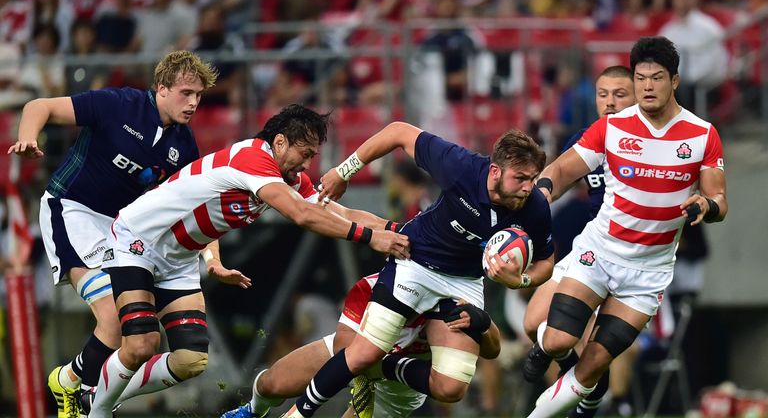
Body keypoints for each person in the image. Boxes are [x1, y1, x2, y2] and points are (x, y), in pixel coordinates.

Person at [86, 104, 409, 417]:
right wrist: (370, 239)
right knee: (142, 345)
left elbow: (343, 213)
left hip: (180, 258)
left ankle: (98, 395)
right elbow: (301, 214)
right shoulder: (253, 159)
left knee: (191, 360)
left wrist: (401, 231)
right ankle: (96, 410)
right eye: (306, 153)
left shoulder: (290, 179)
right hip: (139, 239)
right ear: (279, 142)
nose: (308, 164)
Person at [277, 123, 555, 418]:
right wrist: (343, 171)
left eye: (533, 178)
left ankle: (380, 367)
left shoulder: (534, 206)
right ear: (495, 171)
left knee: (451, 387)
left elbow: (546, 263)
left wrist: (521, 280)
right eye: (521, 178)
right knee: (361, 353)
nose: (528, 186)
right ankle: (296, 414)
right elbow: (398, 131)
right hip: (415, 262)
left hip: (464, 282)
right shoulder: (460, 166)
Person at [7, 50, 220, 418]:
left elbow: (197, 210)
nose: (193, 103)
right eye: (186, 93)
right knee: (113, 320)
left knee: (145, 340)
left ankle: (74, 383)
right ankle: (82, 392)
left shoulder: (184, 146)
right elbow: (39, 106)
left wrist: (212, 258)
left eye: (199, 96)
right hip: (72, 211)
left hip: (122, 232)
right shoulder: (117, 104)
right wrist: (28, 138)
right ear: (161, 88)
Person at [523, 36, 728, 418]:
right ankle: (551, 355)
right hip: (599, 254)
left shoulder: (702, 134)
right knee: (555, 340)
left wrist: (707, 204)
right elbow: (565, 167)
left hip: (648, 275)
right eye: (641, 78)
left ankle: (569, 407)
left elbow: (719, 199)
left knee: (592, 366)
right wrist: (545, 190)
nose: (648, 86)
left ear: (675, 81)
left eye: (657, 78)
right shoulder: (611, 128)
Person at [220, 273, 503, 418]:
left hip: (400, 388)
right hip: (357, 352)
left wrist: (484, 323)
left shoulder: (453, 301)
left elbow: (492, 351)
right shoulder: (371, 286)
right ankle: (252, 411)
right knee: (273, 383)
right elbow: (346, 347)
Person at [522, 65, 637, 418]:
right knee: (532, 324)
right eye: (604, 95)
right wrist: (530, 204)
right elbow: (557, 175)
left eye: (620, 95)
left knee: (586, 345)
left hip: (632, 259)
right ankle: (588, 384)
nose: (610, 103)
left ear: (639, 97)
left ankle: (596, 398)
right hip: (591, 248)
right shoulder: (587, 139)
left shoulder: (651, 145)